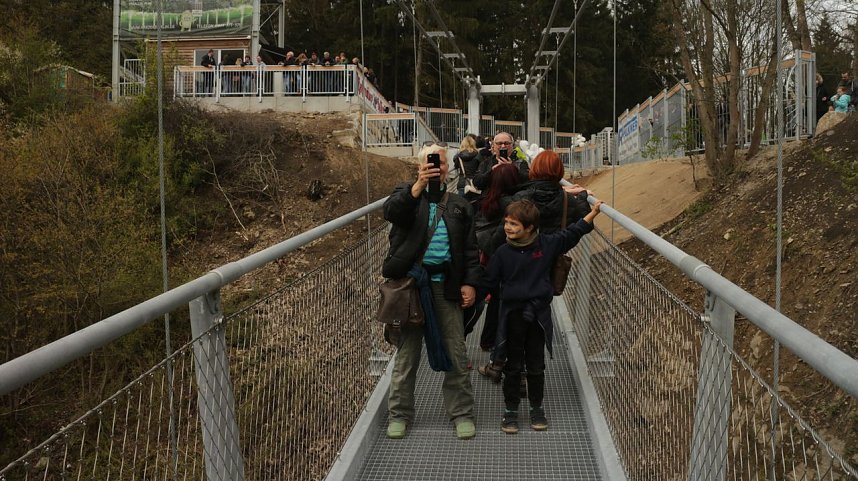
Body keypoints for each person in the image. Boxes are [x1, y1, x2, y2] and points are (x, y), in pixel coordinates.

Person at [382, 143, 480, 441]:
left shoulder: (459, 205)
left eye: (439, 162)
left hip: (446, 287)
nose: (435, 166)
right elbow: (392, 212)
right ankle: (399, 414)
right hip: (411, 289)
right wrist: (419, 185)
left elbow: (471, 250)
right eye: (428, 162)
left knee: (456, 351)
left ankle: (461, 413)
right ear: (419, 166)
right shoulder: (406, 194)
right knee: (407, 356)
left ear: (448, 168)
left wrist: (470, 282)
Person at [481, 197, 603, 434]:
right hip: (512, 315)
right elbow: (488, 281)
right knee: (512, 365)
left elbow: (573, 233)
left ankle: (537, 408)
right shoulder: (503, 253)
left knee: (536, 365)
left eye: (514, 224)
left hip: (537, 316)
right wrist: (468, 298)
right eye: (507, 222)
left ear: (530, 228)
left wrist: (593, 213)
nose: (507, 227)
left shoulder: (546, 245)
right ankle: (511, 411)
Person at [478, 150, 592, 382]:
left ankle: (504, 366)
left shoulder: (523, 199)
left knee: (509, 317)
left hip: (515, 270)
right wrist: (579, 196)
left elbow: (497, 236)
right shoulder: (567, 201)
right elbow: (584, 220)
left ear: (534, 171)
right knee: (535, 318)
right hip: (544, 270)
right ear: (559, 173)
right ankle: (527, 372)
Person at [472, 163, 524, 354]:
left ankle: (486, 340)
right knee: (500, 302)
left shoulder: (488, 199)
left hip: (487, 259)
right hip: (506, 259)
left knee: (489, 299)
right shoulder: (514, 204)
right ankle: (498, 346)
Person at [451, 135, 482, 202]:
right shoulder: (478, 155)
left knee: (462, 206)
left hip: (463, 184)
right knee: (475, 206)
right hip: (475, 184)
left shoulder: (459, 156)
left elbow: (456, 166)